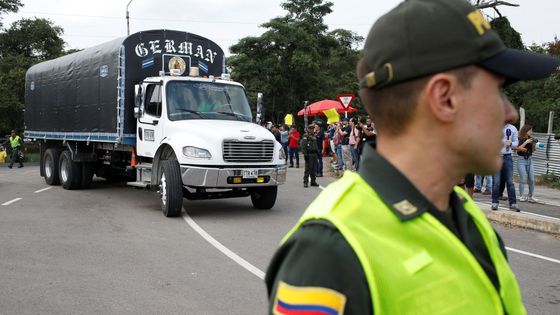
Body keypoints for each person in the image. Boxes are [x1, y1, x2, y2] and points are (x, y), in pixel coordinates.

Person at [266, 0, 559, 313]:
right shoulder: (328, 253)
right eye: (498, 91)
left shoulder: (465, 214)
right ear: (444, 97)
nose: (510, 113)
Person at [491, 121, 520, 212]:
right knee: (496, 182)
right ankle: (494, 202)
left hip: (508, 157)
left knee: (510, 182)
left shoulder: (512, 128)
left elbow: (516, 142)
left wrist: (511, 143)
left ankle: (513, 204)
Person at [517, 124, 538, 203]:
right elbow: (518, 150)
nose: (532, 132)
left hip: (530, 159)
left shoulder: (531, 139)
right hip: (521, 160)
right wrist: (526, 142)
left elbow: (533, 150)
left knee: (532, 179)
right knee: (523, 179)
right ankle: (522, 196)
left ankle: (531, 196)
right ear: (526, 131)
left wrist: (534, 145)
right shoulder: (520, 139)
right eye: (530, 130)